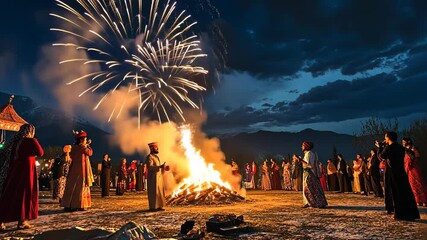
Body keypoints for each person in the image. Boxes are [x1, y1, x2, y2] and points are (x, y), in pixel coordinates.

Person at [0, 124, 44, 230]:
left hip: (16, 170)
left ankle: (1, 220)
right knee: (25, 195)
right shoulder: (31, 141)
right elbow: (40, 152)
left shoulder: (16, 142)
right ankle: (22, 221)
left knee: (12, 193)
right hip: (27, 171)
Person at [377, 131, 419, 220]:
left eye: (386, 137)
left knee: (394, 193)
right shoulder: (400, 147)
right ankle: (408, 213)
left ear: (389, 138)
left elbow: (381, 157)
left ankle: (398, 213)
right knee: (404, 192)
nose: (385, 139)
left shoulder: (389, 147)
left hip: (392, 172)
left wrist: (379, 147)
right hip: (400, 172)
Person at [61, 131, 93, 211]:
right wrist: (88, 145)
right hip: (81, 170)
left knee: (71, 187)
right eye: (85, 139)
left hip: (73, 169)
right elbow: (90, 153)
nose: (86, 140)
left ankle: (68, 204)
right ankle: (79, 205)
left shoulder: (74, 147)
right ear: (82, 140)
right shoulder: (82, 147)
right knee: (80, 187)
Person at [300, 141, 327, 208]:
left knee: (308, 188)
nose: (301, 147)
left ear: (306, 147)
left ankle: (311, 202)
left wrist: (299, 159)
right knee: (311, 188)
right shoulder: (310, 153)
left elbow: (308, 164)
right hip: (309, 173)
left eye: (303, 146)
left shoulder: (308, 154)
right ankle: (308, 202)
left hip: (308, 173)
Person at [402, 137, 427, 206]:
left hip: (415, 169)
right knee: (412, 185)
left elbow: (416, 158)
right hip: (409, 170)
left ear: (408, 142)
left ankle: (424, 200)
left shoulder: (413, 149)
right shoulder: (406, 150)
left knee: (419, 184)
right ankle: (417, 200)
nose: (403, 143)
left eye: (404, 142)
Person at [146, 142, 166, 211]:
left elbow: (159, 167)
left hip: (158, 178)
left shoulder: (156, 157)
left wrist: (164, 168)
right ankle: (153, 207)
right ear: (152, 148)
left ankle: (159, 206)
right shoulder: (149, 157)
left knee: (159, 192)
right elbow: (150, 167)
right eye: (156, 147)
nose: (157, 148)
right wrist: (160, 167)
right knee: (154, 193)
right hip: (153, 178)